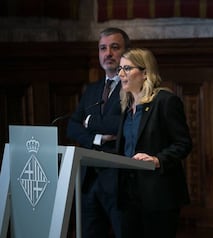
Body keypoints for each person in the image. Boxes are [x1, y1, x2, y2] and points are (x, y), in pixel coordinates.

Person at [114, 48, 192, 238]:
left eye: (127, 68)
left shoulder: (165, 101)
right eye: (119, 69)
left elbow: (183, 143)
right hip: (129, 194)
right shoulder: (127, 107)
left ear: (145, 72)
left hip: (158, 194)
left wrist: (158, 159)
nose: (121, 74)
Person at [66, 27, 131, 238]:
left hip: (119, 182)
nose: (108, 53)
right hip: (88, 180)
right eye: (103, 48)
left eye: (114, 47)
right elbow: (72, 126)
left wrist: (90, 121)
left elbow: (122, 125)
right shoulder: (92, 90)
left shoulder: (132, 87)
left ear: (126, 52)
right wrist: (96, 137)